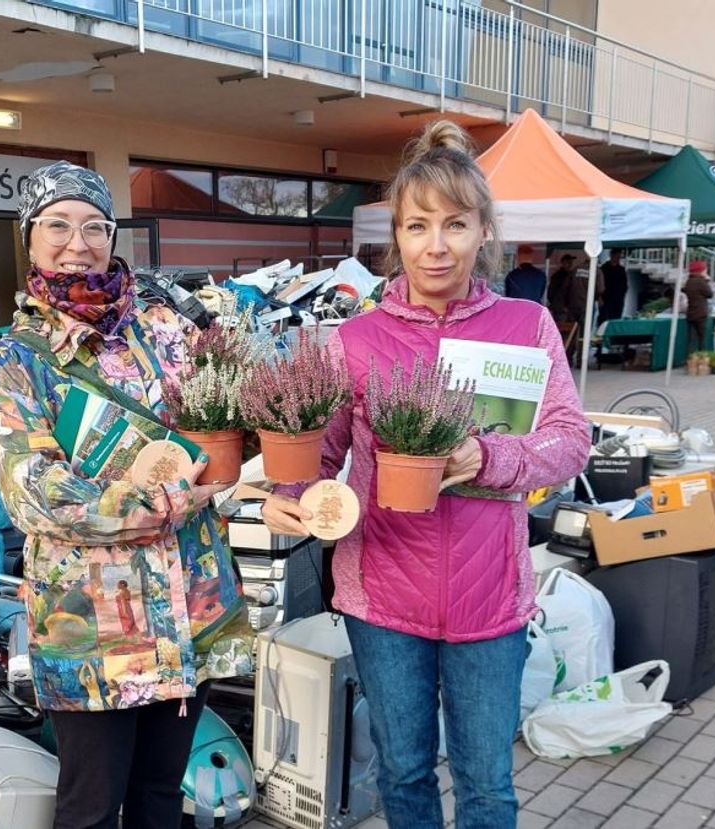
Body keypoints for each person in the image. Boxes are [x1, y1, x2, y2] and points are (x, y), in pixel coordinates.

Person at [261, 121, 590, 829]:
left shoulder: (525, 326)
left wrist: (490, 457)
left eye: (455, 224)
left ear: (482, 231)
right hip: (382, 596)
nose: (435, 245)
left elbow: (570, 441)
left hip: (489, 601)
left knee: (485, 784)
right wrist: (286, 496)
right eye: (417, 226)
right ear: (397, 236)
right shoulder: (356, 339)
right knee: (403, 771)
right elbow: (318, 450)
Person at [0, 161, 252, 829]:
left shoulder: (166, 328)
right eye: (58, 224)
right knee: (91, 809)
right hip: (94, 627)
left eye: (95, 225)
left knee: (162, 795)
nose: (79, 241)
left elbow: (224, 427)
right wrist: (154, 504)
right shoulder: (20, 359)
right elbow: (32, 492)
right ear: (29, 236)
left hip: (187, 605)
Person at [682, 260, 713, 356]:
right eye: (704, 269)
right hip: (701, 313)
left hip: (691, 313)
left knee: (691, 339)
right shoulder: (701, 282)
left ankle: (690, 359)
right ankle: (701, 359)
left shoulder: (689, 281)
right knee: (702, 339)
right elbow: (709, 294)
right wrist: (707, 280)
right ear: (701, 270)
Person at [547, 253, 578, 322]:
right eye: (568, 262)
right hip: (562, 308)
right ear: (563, 263)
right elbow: (552, 293)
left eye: (571, 262)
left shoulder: (567, 275)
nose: (570, 264)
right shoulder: (561, 276)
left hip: (562, 308)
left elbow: (550, 294)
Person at [599, 249, 628, 320]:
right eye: (616, 256)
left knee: (616, 319)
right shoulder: (604, 268)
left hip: (618, 301)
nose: (618, 258)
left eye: (619, 257)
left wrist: (622, 296)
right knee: (604, 320)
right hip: (606, 300)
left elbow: (624, 285)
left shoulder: (621, 269)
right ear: (612, 256)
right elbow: (599, 284)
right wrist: (600, 298)